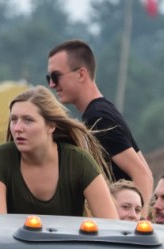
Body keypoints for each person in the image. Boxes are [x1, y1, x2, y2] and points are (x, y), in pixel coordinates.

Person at [0, 86, 116, 219]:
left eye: (28, 120)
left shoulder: (79, 162)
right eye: (14, 120)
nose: (17, 128)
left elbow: (111, 225)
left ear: (51, 126)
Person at [47, 39, 153, 205]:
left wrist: (138, 224)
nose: (52, 85)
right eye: (49, 78)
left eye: (56, 76)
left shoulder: (98, 118)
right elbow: (145, 171)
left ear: (81, 74)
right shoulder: (103, 111)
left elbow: (142, 175)